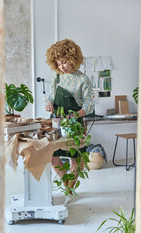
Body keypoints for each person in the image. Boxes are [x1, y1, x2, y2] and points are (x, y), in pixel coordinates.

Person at [45, 39, 94, 203]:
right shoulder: (57, 77)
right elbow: (50, 97)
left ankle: (69, 189)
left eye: (64, 62)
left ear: (73, 59)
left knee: (75, 158)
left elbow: (89, 106)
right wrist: (49, 104)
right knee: (53, 157)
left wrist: (75, 115)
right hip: (57, 125)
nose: (61, 67)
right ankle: (68, 186)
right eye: (58, 63)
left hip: (74, 124)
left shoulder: (83, 80)